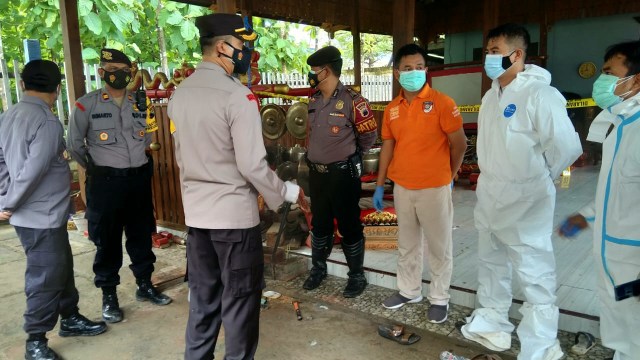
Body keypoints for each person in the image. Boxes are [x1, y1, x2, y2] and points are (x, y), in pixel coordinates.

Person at [167, 13, 309, 360]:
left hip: (198, 223)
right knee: (240, 307)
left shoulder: (179, 95)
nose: (246, 53)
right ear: (222, 47)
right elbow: (251, 166)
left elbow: (180, 158)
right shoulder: (238, 97)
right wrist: (289, 192)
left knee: (203, 303)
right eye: (242, 46)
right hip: (233, 222)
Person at [459, 24, 582, 360]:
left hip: (526, 196)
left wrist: (542, 177)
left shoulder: (540, 93)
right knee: (491, 263)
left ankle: (540, 344)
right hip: (491, 192)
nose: (489, 57)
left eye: (495, 50)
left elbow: (567, 146)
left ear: (517, 54)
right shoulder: (490, 95)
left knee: (534, 271)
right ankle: (492, 325)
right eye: (487, 50)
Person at [0, 60, 107, 360]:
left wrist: (4, 195)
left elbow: (1, 161)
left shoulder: (9, 115)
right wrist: (8, 204)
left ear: (22, 85)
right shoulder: (46, 121)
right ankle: (36, 340)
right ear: (57, 88)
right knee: (45, 276)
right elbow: (33, 172)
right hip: (40, 216)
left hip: (39, 215)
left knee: (60, 267)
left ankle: (70, 316)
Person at [67, 48, 171, 325]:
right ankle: (109, 295)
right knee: (107, 240)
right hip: (106, 182)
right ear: (101, 72)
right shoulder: (85, 105)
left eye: (124, 70)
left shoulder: (142, 102)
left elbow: (151, 137)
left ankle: (145, 284)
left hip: (137, 180)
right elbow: (75, 146)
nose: (119, 75)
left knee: (141, 233)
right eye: (112, 69)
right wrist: (98, 169)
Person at [373, 44, 467, 323]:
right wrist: (380, 184)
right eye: (407, 68)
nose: (413, 72)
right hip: (402, 187)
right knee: (407, 243)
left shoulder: (443, 103)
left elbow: (459, 145)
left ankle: (439, 298)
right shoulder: (392, 109)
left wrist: (448, 177)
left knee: (440, 246)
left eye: (419, 67)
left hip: (434, 187)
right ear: (396, 72)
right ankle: (408, 290)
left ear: (426, 70)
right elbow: (387, 148)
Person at [559, 40, 640, 360]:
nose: (602, 81)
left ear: (636, 79)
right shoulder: (621, 123)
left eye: (609, 72)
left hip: (633, 258)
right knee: (624, 326)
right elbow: (616, 189)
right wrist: (587, 215)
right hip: (615, 253)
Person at [302, 45, 378, 298]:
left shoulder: (354, 102)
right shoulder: (313, 101)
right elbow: (312, 136)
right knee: (320, 224)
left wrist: (351, 156)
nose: (311, 74)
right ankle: (318, 270)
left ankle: (356, 276)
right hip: (318, 174)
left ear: (326, 71)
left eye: (314, 70)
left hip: (343, 175)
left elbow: (368, 136)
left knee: (349, 225)